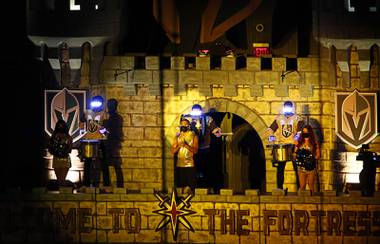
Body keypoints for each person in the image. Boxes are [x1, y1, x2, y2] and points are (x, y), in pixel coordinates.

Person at [264, 101, 304, 190]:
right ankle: (279, 188)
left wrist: (297, 137)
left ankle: (300, 188)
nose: (287, 109)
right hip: (282, 145)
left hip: (293, 146)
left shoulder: (297, 118)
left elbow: (300, 130)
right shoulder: (279, 118)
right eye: (286, 107)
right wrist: (271, 136)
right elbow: (271, 129)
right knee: (280, 168)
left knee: (297, 167)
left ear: (292, 108)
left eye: (289, 107)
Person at [182, 104, 222, 191]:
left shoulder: (207, 119)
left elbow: (214, 129)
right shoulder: (187, 118)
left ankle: (207, 187)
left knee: (206, 168)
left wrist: (218, 132)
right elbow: (181, 130)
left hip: (204, 148)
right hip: (191, 149)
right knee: (192, 169)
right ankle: (191, 187)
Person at [79, 95, 108, 187]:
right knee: (87, 162)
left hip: (100, 140)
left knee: (103, 162)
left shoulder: (104, 114)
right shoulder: (87, 112)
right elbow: (81, 124)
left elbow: (106, 129)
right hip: (89, 140)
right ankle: (86, 184)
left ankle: (105, 184)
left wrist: (103, 130)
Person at [171, 118, 199, 194]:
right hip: (179, 165)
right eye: (182, 125)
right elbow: (173, 151)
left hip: (190, 164)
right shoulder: (177, 137)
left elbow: (195, 150)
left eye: (185, 125)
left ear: (188, 126)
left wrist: (186, 145)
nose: (183, 126)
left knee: (191, 187)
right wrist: (178, 146)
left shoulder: (194, 136)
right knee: (180, 187)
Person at [102, 98, 124, 188]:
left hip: (113, 144)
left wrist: (104, 125)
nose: (109, 107)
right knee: (105, 164)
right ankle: (107, 184)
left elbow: (111, 130)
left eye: (110, 106)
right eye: (108, 106)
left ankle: (119, 185)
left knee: (116, 164)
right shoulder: (112, 118)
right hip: (109, 144)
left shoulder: (116, 118)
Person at [294, 125, 320, 194]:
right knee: (302, 186)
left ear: (310, 132)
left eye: (307, 132)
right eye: (304, 132)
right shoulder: (299, 142)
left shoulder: (314, 143)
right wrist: (299, 156)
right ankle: (302, 203)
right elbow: (295, 153)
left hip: (311, 168)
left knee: (311, 186)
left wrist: (311, 157)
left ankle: (312, 202)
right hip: (301, 168)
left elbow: (318, 155)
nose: (305, 133)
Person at [48, 119, 73, 188]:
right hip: (57, 158)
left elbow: (69, 149)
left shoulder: (68, 137)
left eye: (61, 126)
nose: (60, 128)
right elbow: (50, 147)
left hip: (64, 159)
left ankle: (63, 195)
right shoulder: (54, 136)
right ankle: (61, 195)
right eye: (59, 126)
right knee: (60, 181)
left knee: (62, 180)